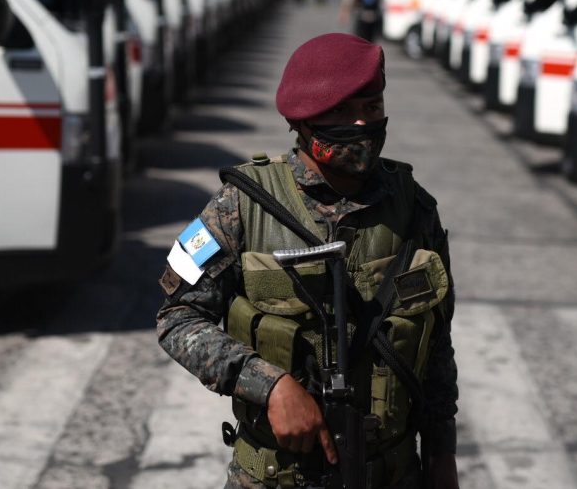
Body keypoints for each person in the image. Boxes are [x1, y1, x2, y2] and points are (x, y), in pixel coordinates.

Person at [157, 33, 459, 489]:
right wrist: (269, 385)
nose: (361, 123)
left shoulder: (414, 210)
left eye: (372, 107)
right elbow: (177, 318)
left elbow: (436, 347)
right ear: (303, 119)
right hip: (275, 476)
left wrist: (442, 455)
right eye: (340, 112)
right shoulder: (240, 205)